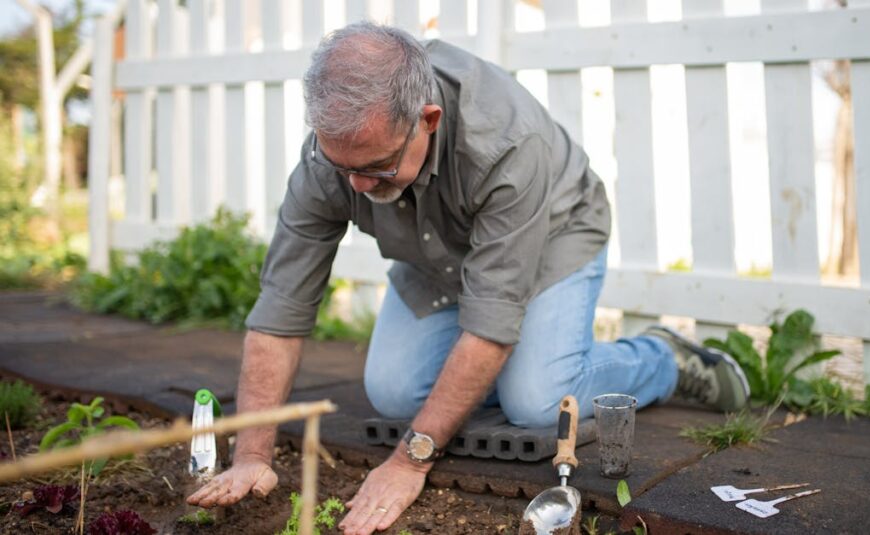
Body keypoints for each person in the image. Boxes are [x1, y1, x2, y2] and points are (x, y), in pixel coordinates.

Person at [186, 22, 749, 535]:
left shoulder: (506, 142)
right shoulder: (330, 160)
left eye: (376, 167)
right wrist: (253, 454)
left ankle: (660, 359)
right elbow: (281, 309)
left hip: (552, 231)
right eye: (343, 169)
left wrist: (410, 460)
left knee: (534, 400)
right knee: (394, 393)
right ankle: (495, 380)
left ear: (427, 121)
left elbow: (492, 324)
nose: (356, 187)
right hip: (436, 248)